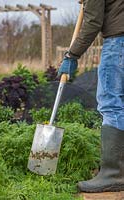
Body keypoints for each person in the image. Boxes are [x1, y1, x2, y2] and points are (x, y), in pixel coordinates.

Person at [58, 0, 124, 193]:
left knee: (111, 105)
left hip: (118, 44)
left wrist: (72, 54)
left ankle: (113, 174)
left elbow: (93, 22)